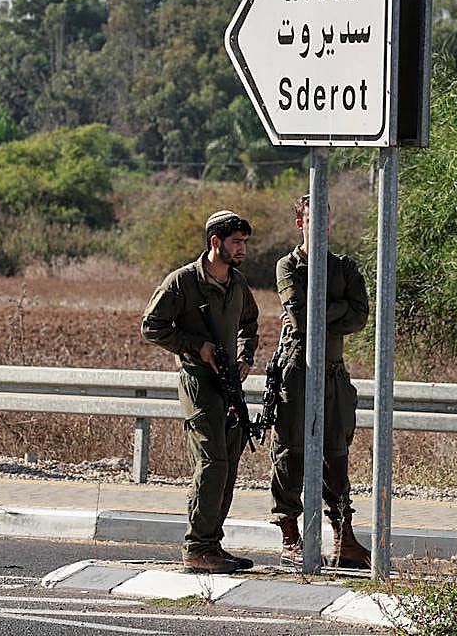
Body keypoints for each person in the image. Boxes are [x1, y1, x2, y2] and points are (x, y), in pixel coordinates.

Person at [141, 210, 259, 574]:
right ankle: (197, 546)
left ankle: (213, 544)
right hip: (197, 379)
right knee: (212, 462)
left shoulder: (238, 284)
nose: (241, 249)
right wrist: (197, 347)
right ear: (215, 242)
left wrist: (245, 357)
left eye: (244, 242)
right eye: (235, 242)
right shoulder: (182, 283)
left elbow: (250, 324)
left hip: (229, 383)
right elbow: (152, 326)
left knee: (229, 463)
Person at [271, 194, 371, 568]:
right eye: (313, 220)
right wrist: (338, 308)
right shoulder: (289, 266)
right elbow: (299, 317)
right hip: (297, 368)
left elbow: (360, 317)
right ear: (301, 223)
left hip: (333, 370)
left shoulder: (343, 267)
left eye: (325, 220)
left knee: (337, 455)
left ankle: (343, 539)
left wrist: (323, 311)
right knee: (290, 451)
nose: (321, 227)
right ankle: (290, 537)